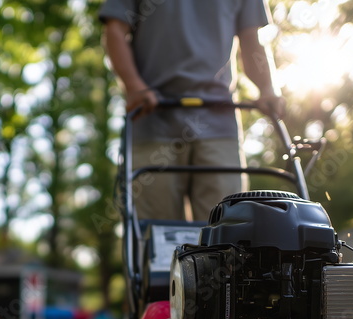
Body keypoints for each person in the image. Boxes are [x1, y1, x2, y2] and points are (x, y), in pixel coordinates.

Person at [100, 0, 286, 222]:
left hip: (219, 125)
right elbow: (115, 30)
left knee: (226, 232)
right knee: (154, 235)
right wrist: (133, 86)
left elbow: (251, 41)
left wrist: (267, 88)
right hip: (152, 120)